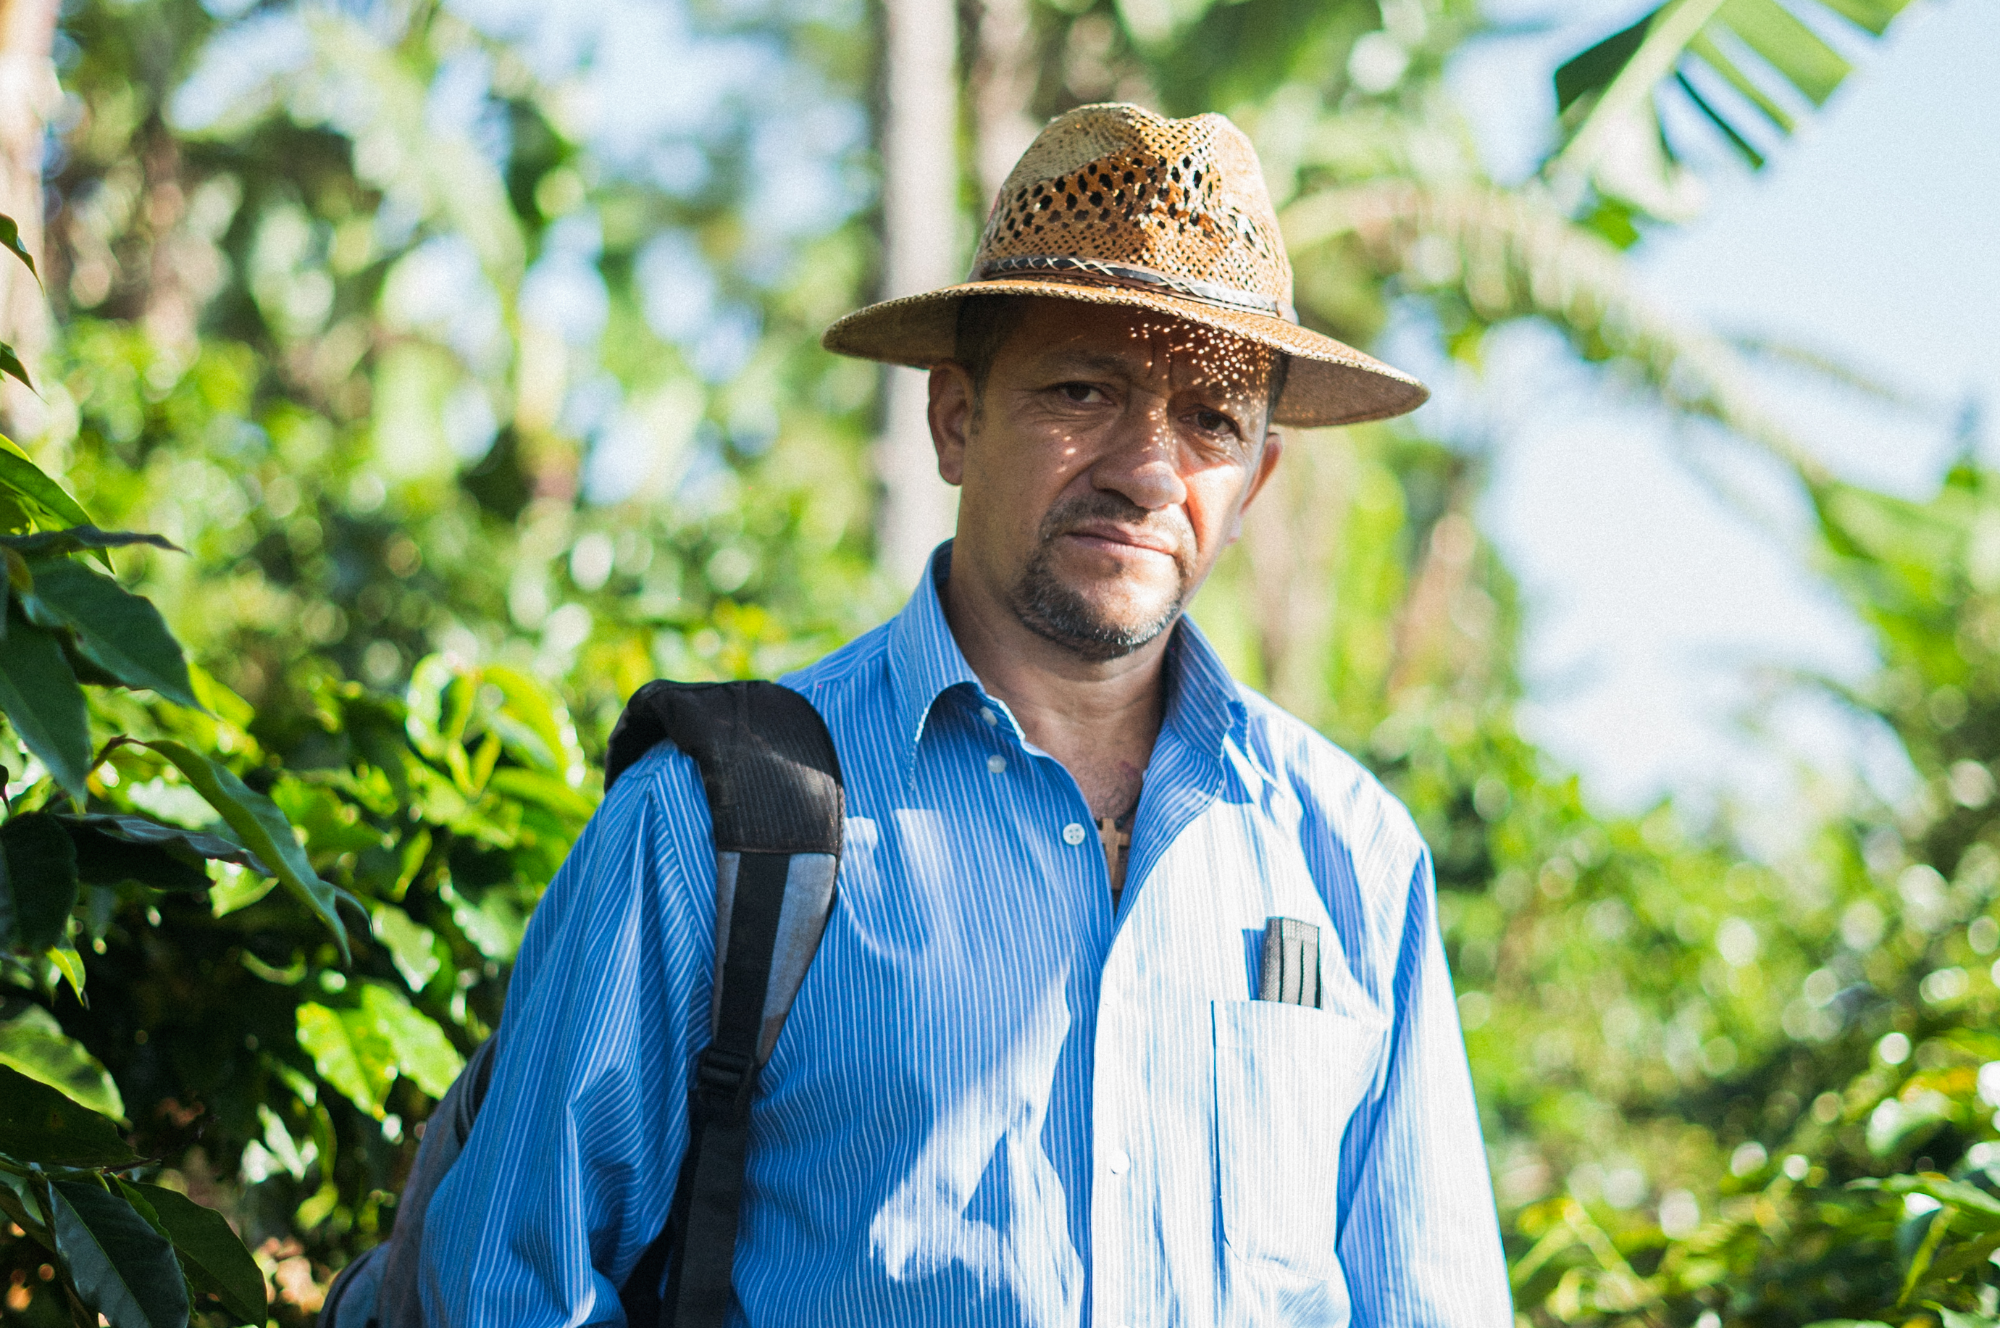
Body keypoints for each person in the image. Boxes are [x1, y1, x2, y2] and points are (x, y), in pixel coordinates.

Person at [422, 103, 1510, 1326]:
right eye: (1083, 389)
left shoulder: (1348, 853)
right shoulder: (716, 824)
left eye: (1210, 417)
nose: (1147, 468)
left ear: (1255, 476)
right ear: (954, 420)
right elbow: (510, 1286)